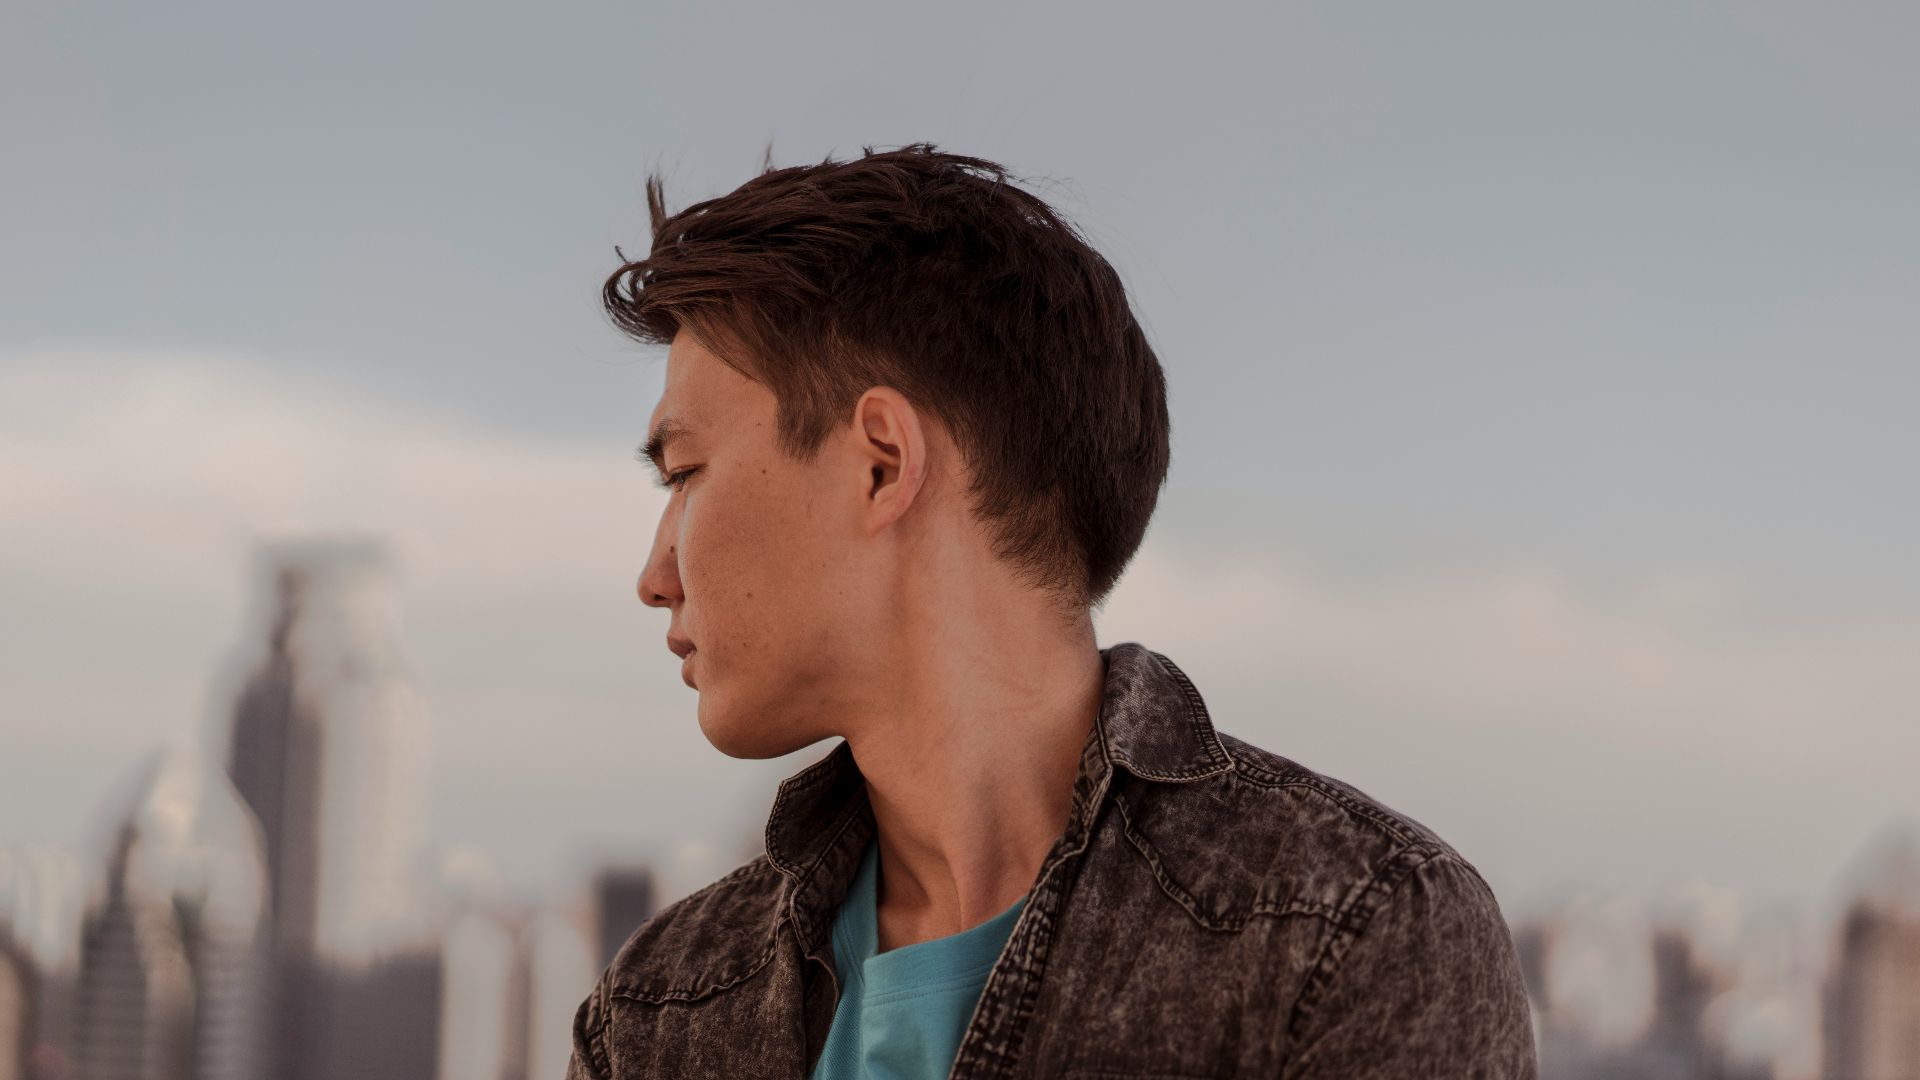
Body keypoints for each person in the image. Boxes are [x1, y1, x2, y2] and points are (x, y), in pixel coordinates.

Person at [565, 145, 1537, 1079]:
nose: (655, 574)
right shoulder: (655, 1010)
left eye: (684, 474)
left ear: (882, 465)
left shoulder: (1354, 931)